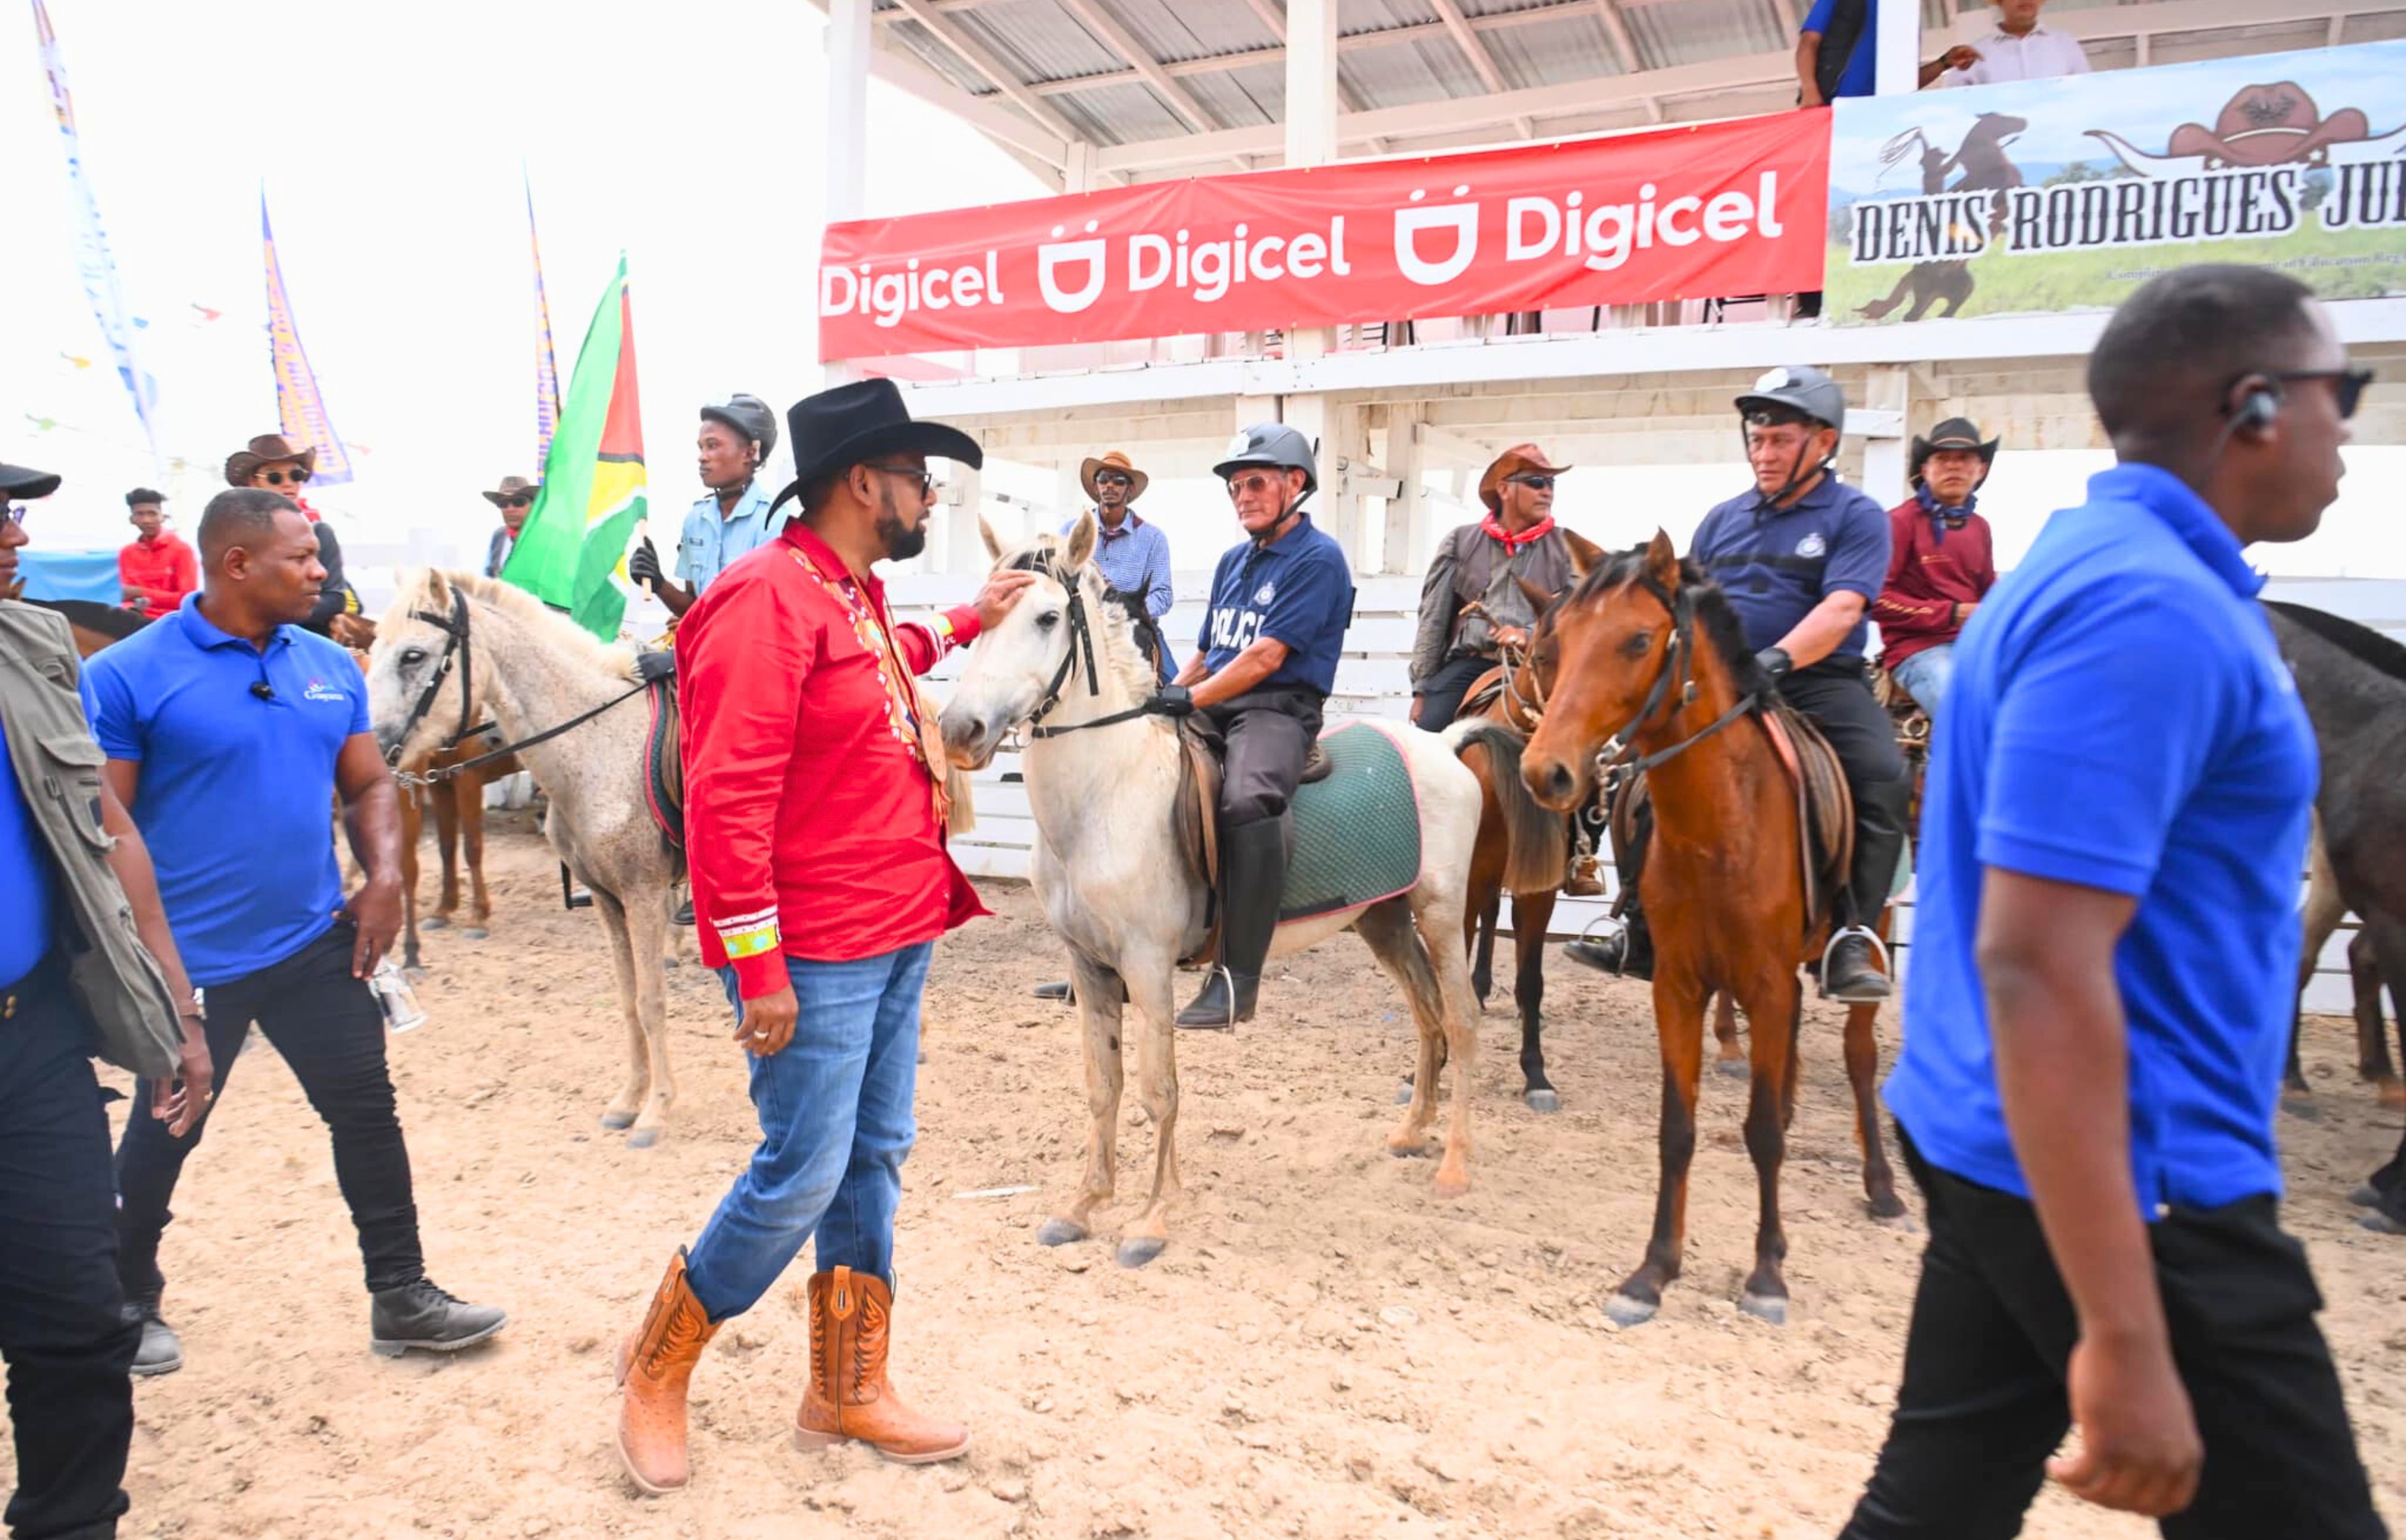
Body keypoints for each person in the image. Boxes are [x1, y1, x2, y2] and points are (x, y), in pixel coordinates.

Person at [1841, 265, 2384, 1539]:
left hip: (2006, 1130)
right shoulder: (2149, 607)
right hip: (2146, 1174)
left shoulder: (2085, 555)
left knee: (1935, 1508)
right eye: (2336, 391)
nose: (2347, 424)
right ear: (2253, 404)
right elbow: (2038, 957)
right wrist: (2131, 1330)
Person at [612, 379, 1034, 1496]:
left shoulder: (838, 589)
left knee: (872, 1160)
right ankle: (656, 1368)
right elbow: (727, 796)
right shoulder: (765, 598)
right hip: (817, 944)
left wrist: (966, 620)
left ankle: (844, 1387)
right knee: (800, 1173)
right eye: (913, 476)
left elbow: (877, 661)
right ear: (861, 483)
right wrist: (756, 966)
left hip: (896, 922)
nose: (926, 494)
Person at [83, 488, 508, 1376]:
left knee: (366, 1112)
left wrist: (385, 877)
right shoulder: (129, 674)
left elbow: (369, 785)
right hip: (187, 960)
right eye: (301, 558)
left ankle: (401, 1294)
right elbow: (106, 826)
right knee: (168, 1129)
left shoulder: (324, 663)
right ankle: (127, 1300)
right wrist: (154, 967)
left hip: (313, 942)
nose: (322, 571)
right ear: (238, 564)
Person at [2, 458, 212, 1540]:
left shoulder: (35, 647)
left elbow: (109, 825)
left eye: (12, 512)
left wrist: (175, 1003)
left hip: (28, 1035)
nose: (12, 536)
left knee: (78, 1318)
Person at [1565, 366, 1908, 1002]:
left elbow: (1842, 609)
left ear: (1824, 442)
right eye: (1757, 439)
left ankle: (1852, 936)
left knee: (1882, 774)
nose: (1764, 453)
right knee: (1639, 775)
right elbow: (1685, 608)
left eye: (1780, 440)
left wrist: (1778, 658)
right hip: (1725, 687)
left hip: (1816, 680)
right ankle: (1635, 923)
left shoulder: (1856, 515)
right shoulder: (1723, 520)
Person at [1146, 424, 1355, 1030]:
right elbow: (1211, 652)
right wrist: (1167, 694)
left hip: (1278, 707)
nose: (1243, 496)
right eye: (1236, 487)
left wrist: (1191, 699)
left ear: (1296, 484)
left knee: (1246, 799)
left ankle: (1238, 979)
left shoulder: (1319, 559)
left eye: (1256, 483)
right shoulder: (1233, 561)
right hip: (1220, 695)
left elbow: (1265, 657)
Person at [1409, 442, 1579, 733]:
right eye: (1536, 482)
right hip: (1471, 665)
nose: (1547, 491)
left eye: (1551, 483)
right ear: (1504, 489)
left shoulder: (1570, 548)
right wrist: (1422, 690)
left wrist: (1527, 636)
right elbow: (1433, 620)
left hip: (1541, 668)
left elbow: (1580, 618)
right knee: (1426, 741)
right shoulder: (1459, 542)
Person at [1873, 418, 1999, 721]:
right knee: (1964, 713)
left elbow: (1989, 591)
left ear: (1980, 470)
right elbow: (1874, 599)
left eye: (1964, 459)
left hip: (1973, 647)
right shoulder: (1899, 522)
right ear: (1925, 469)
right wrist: (1953, 613)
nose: (1953, 467)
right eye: (1942, 459)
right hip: (1918, 651)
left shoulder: (1980, 527)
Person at [626, 394, 780, 617]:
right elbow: (693, 610)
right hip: (704, 649)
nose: (702, 457)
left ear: (750, 453)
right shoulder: (696, 520)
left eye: (713, 446)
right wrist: (658, 582)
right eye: (701, 447)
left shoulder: (775, 523)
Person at [224, 433, 360, 635]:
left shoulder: (320, 533)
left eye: (296, 475)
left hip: (308, 643)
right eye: (275, 477)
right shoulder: (237, 536)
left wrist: (275, 616)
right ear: (253, 482)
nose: (288, 484)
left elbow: (335, 599)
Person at [1071, 450, 1173, 683]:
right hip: (1081, 624)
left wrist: (1126, 609)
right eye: (1103, 479)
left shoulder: (1153, 538)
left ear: (1130, 490)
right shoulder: (1071, 531)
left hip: (1134, 628)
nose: (1110, 486)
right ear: (1096, 487)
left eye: (1119, 481)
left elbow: (1164, 595)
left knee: (1174, 689)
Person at [1796, 0, 1974, 107]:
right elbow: (1808, 42)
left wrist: (1944, 63)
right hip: (1832, 112)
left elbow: (1903, 84)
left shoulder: (1905, 19)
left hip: (1878, 121)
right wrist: (1810, 90)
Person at [1938, 0, 2091, 87]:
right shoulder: (1973, 54)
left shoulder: (2066, 45)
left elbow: (2086, 95)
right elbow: (1956, 109)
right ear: (2000, 2)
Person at [117, 487, 197, 615]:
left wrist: (139, 592)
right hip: (135, 621)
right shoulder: (126, 553)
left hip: (171, 622)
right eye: (140, 514)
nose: (146, 520)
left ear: (163, 517)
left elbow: (186, 599)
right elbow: (125, 597)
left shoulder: (182, 550)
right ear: (132, 519)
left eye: (152, 513)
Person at [482, 474, 540, 578]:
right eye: (503, 503)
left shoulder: (545, 538)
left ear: (533, 505)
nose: (510, 509)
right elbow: (489, 578)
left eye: (518, 502)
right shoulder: (499, 537)